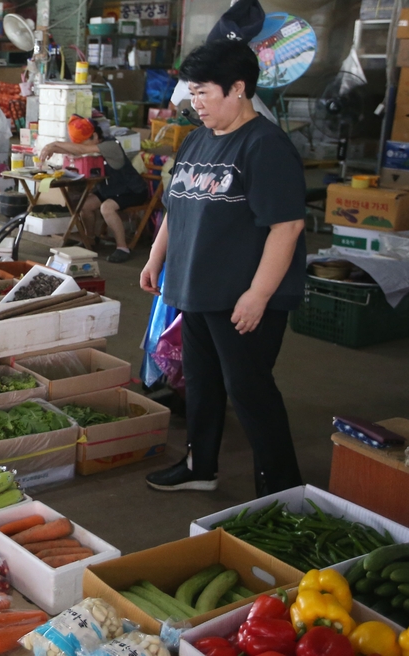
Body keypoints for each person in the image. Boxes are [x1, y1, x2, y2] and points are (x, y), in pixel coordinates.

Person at [140, 38, 306, 497]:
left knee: (250, 390)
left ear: (238, 88)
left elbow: (287, 227)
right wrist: (157, 258)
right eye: (191, 94)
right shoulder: (197, 140)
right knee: (201, 383)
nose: (196, 105)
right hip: (195, 289)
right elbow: (176, 207)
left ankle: (282, 488)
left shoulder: (265, 146)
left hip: (241, 297)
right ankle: (200, 466)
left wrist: (258, 295)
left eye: (203, 94)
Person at [37, 116, 148, 263]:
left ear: (95, 135)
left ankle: (122, 248)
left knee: (106, 208)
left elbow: (81, 149)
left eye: (84, 142)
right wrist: (50, 148)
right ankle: (90, 239)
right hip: (109, 189)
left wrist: (55, 144)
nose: (81, 147)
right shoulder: (94, 146)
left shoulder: (111, 145)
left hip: (132, 190)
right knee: (85, 205)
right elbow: (78, 150)